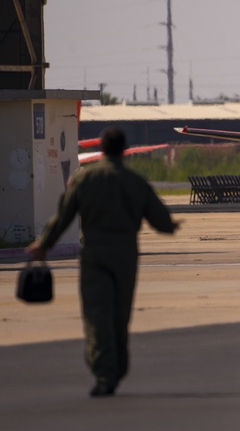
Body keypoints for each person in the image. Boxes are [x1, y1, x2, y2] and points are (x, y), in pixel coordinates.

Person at [26, 126, 180, 398]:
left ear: (101, 148)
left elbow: (62, 216)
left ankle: (104, 374)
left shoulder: (84, 180)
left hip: (95, 254)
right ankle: (117, 369)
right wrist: (172, 225)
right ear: (125, 150)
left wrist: (43, 245)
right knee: (120, 315)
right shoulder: (135, 181)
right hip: (125, 256)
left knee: (98, 316)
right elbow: (160, 220)